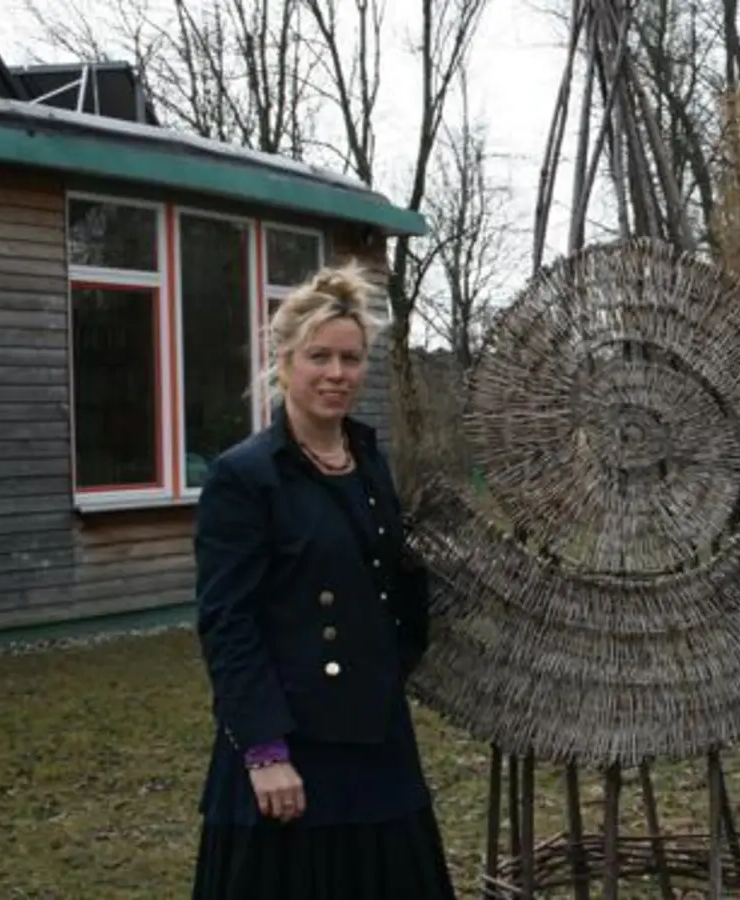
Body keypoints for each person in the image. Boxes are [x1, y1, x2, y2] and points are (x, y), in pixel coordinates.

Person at [189, 262, 455, 900]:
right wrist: (264, 753)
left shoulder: (367, 461)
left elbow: (387, 583)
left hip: (376, 739)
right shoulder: (245, 478)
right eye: (320, 357)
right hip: (291, 745)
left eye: (352, 358)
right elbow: (229, 623)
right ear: (284, 362)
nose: (338, 374)